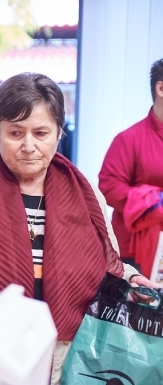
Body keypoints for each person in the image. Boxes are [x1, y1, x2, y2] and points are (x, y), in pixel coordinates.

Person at [0, 72, 158, 385]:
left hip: (69, 370)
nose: (29, 146)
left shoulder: (84, 193)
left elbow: (107, 264)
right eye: (16, 132)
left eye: (41, 132)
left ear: (58, 133)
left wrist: (131, 280)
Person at [99, 58, 163, 279]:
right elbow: (108, 186)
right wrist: (155, 201)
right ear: (160, 87)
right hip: (134, 250)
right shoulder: (129, 139)